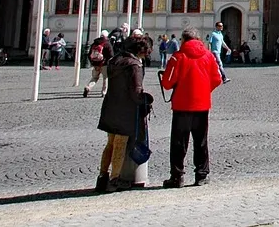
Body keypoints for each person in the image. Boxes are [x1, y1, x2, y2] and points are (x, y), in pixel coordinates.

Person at [160, 27, 223, 188]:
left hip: (182, 106)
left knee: (179, 143)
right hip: (202, 106)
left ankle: (177, 176)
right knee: (201, 141)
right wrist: (203, 91)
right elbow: (217, 79)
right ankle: (201, 175)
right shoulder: (208, 56)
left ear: (183, 40)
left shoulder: (178, 57)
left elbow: (167, 84)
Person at [95, 36, 150, 193]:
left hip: (111, 106)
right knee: (120, 145)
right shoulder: (134, 65)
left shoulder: (114, 60)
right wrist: (145, 100)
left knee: (110, 144)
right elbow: (136, 90)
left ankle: (102, 176)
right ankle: (114, 179)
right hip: (126, 110)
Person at [83, 31, 112, 98]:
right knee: (105, 78)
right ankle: (104, 92)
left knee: (94, 77)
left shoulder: (94, 43)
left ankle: (88, 87)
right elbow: (111, 55)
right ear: (106, 36)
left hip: (96, 64)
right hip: (104, 64)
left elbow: (89, 54)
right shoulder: (107, 43)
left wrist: (93, 63)